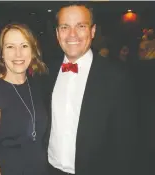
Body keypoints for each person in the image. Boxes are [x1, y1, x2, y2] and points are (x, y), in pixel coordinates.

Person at [47, 2, 138, 175]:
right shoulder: (47, 72)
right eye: (65, 27)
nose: (72, 34)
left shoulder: (117, 78)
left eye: (81, 26)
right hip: (49, 170)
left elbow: (127, 144)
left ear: (93, 31)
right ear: (58, 33)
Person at [0, 23, 49, 175]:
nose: (18, 54)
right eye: (10, 47)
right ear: (1, 53)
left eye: (24, 46)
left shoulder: (35, 85)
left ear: (33, 50)